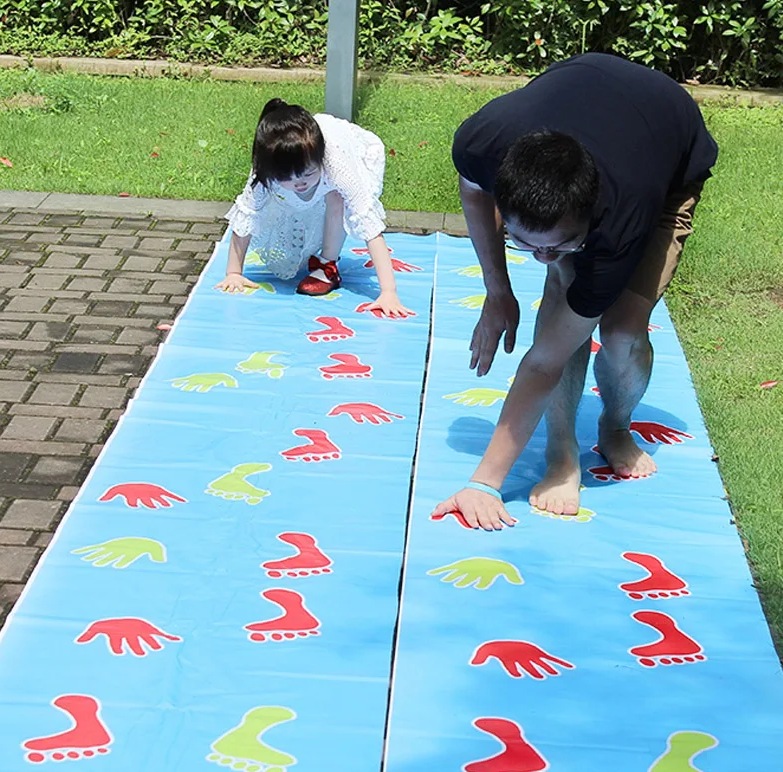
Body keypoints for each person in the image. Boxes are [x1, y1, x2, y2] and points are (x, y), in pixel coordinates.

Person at [433, 53, 718, 529]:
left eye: (560, 243)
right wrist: (498, 290)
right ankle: (561, 451)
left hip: (667, 156)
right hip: (582, 94)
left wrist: (484, 481)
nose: (541, 255)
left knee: (622, 331)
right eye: (524, 242)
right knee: (563, 286)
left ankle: (615, 425)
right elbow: (474, 193)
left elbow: (545, 360)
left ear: (592, 218)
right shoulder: (482, 144)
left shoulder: (619, 225)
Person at [216, 99, 411, 317]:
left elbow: (370, 229)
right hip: (304, 161)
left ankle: (327, 264)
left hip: (344, 151)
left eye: (307, 173)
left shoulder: (338, 168)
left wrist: (388, 292)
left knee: (337, 198)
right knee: (292, 214)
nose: (299, 183)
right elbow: (247, 216)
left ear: (319, 160)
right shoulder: (266, 172)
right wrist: (233, 272)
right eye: (286, 178)